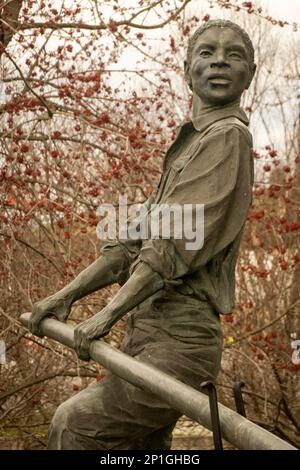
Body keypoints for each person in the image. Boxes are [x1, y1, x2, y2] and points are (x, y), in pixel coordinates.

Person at [28, 19, 256, 450]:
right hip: (146, 335)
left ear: (251, 73)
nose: (219, 62)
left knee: (77, 425)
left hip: (179, 343)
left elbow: (168, 249)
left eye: (234, 55)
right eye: (206, 53)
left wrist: (106, 315)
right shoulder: (189, 146)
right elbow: (129, 244)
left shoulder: (227, 138)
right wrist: (66, 295)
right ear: (187, 69)